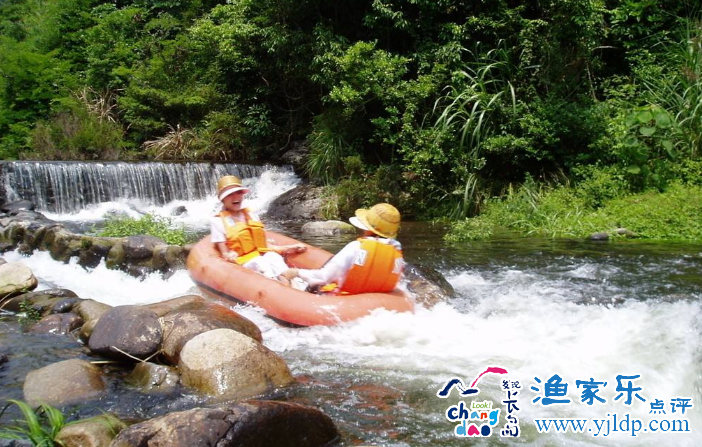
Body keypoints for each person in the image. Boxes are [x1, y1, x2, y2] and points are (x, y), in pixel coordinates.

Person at [280, 203, 404, 294]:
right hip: (376, 305)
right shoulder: (397, 252)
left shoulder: (356, 247)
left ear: (367, 228)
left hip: (345, 300)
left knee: (296, 280)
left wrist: (296, 272)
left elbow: (324, 277)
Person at [211, 175, 306, 283]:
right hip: (244, 263)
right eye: (230, 194)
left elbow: (265, 246)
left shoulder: (251, 215)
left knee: (273, 256)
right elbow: (225, 254)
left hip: (261, 256)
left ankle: (294, 282)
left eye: (238, 192)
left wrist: (291, 247)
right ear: (222, 199)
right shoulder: (218, 221)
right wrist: (230, 255)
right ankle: (280, 283)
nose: (235, 197)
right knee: (260, 263)